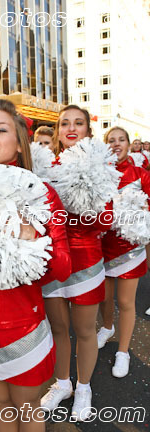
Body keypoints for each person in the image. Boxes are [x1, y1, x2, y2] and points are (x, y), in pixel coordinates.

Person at [0, 99, 71, 432]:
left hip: (23, 326)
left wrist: (30, 239)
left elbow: (63, 267)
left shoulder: (42, 194)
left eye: (0, 130)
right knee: (0, 407)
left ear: (20, 145)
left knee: (28, 410)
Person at [41, 105, 113, 421]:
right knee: (58, 329)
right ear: (57, 132)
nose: (71, 128)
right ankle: (62, 383)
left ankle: (84, 387)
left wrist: (85, 208)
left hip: (85, 261)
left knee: (84, 331)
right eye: (64, 123)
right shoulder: (44, 168)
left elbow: (107, 219)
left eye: (78, 123)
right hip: (53, 261)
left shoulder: (102, 166)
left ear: (88, 130)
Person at [97, 127, 150, 377]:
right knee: (104, 298)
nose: (116, 144)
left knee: (126, 302)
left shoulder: (141, 174)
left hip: (130, 249)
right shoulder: (99, 174)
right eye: (111, 140)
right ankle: (107, 328)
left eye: (121, 140)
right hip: (102, 247)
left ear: (129, 145)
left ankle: (123, 351)